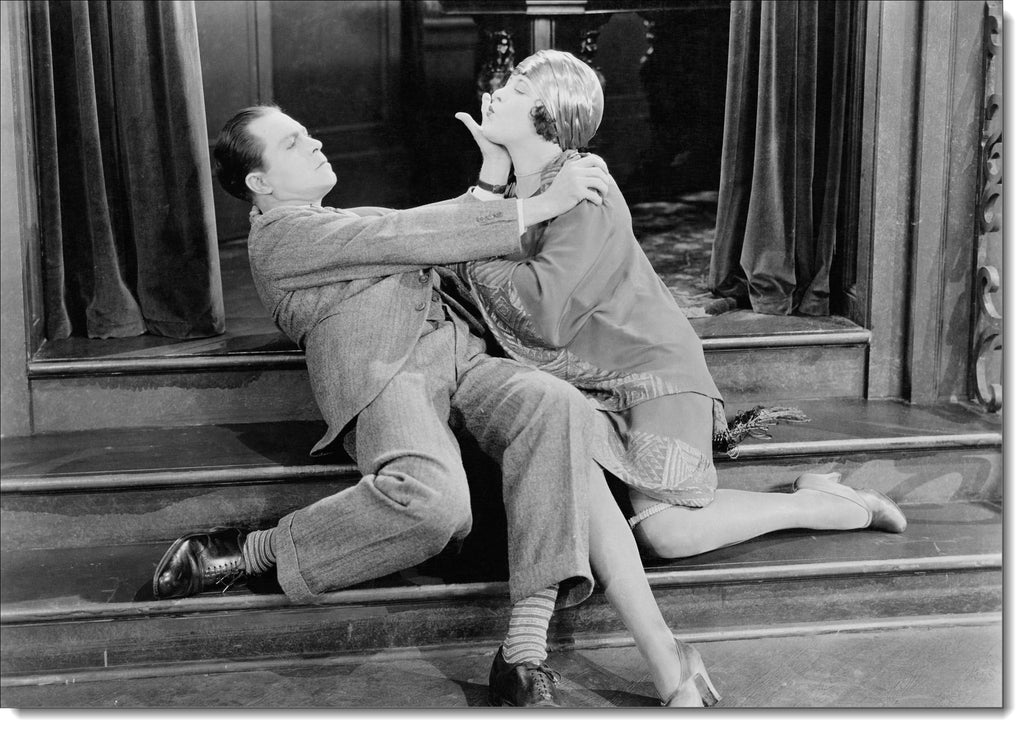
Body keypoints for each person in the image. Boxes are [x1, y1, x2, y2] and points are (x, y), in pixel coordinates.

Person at [151, 104, 718, 708]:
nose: (314, 143)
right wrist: (544, 204)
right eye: (292, 143)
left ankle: (523, 651)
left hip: (463, 359)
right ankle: (254, 550)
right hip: (389, 376)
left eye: (309, 134)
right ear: (259, 182)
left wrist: (492, 172)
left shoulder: (352, 218)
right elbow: (406, 236)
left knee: (555, 404)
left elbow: (433, 228)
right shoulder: (279, 238)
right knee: (434, 505)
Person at [452, 49, 908, 565]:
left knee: (666, 534)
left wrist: (471, 254)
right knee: (651, 530)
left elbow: (541, 310)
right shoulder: (520, 188)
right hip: (597, 382)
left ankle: (827, 505)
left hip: (650, 371)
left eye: (515, 88)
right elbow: (449, 239)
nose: (494, 93)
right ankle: (821, 499)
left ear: (548, 114)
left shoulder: (584, 187)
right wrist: (491, 172)